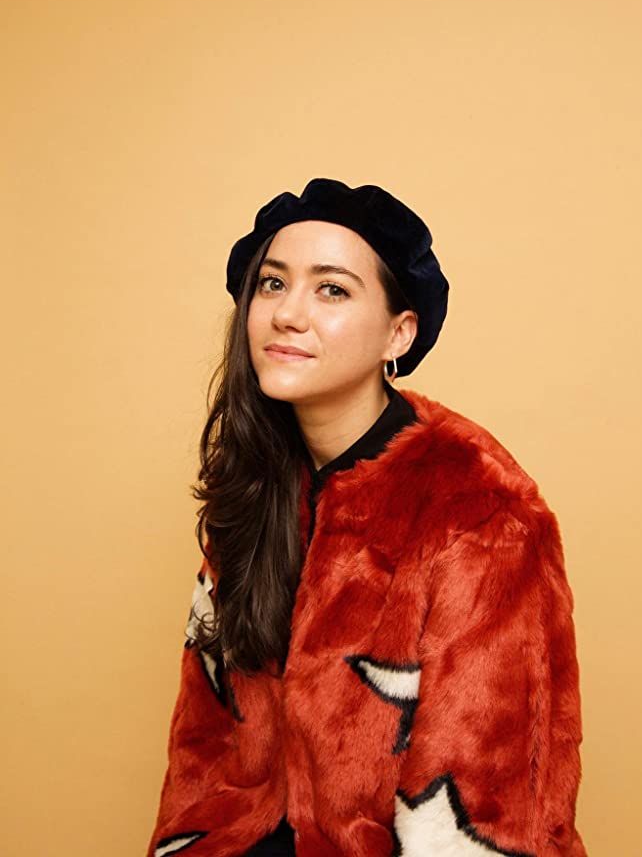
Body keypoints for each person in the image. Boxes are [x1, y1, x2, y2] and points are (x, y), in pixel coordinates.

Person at [146, 177, 587, 857]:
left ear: (398, 333)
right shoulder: (260, 484)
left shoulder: (479, 510)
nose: (288, 314)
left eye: (332, 290)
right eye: (272, 284)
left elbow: (485, 814)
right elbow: (203, 758)